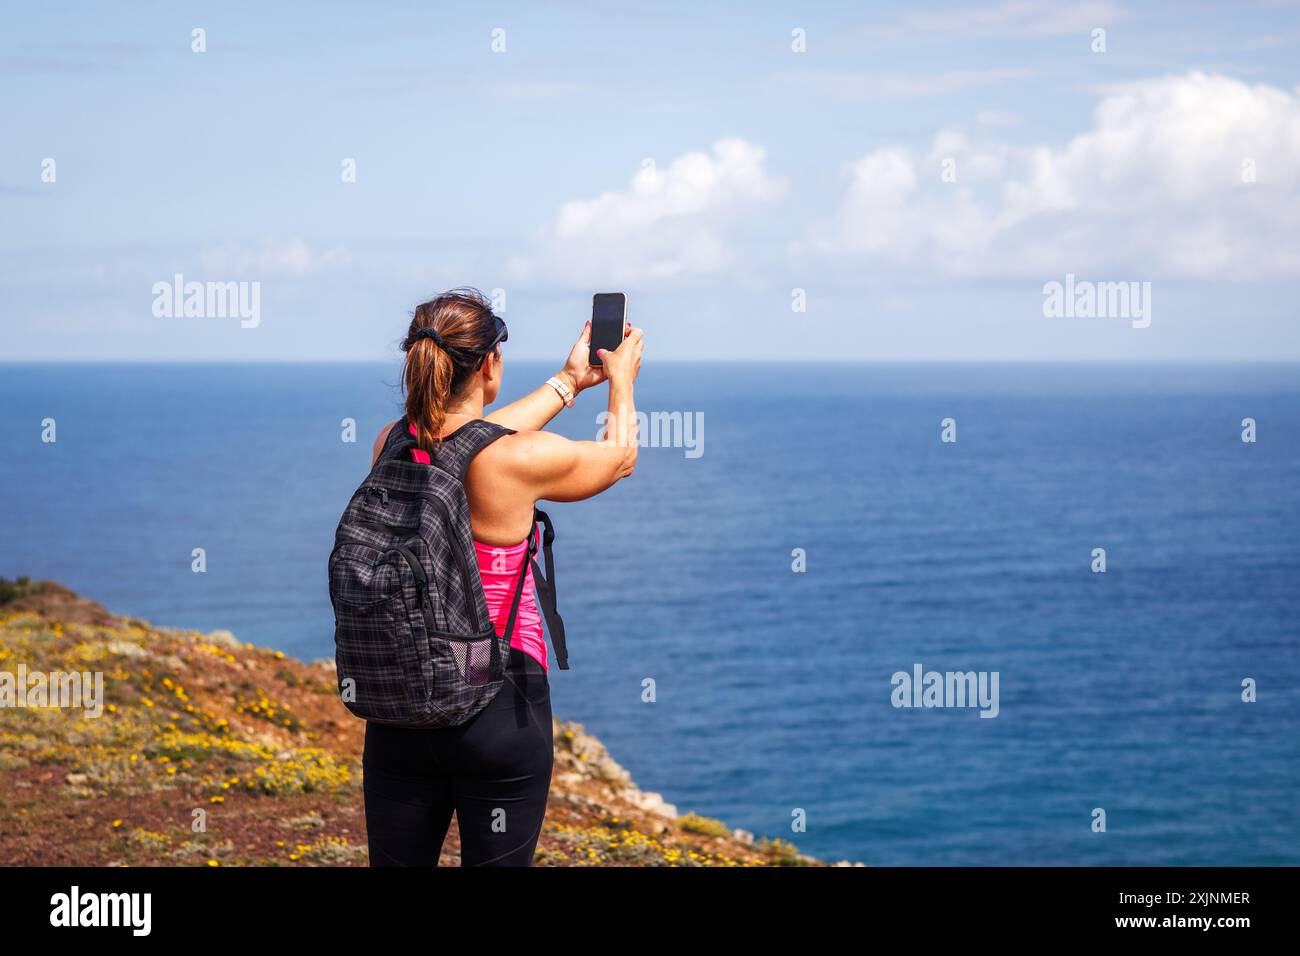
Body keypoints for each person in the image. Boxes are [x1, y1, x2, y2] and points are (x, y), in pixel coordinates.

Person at [362, 288, 643, 866]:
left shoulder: (390, 446)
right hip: (499, 705)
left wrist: (566, 383)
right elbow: (619, 457)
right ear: (490, 365)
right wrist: (621, 379)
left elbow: (469, 438)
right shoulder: (517, 461)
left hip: (402, 703)